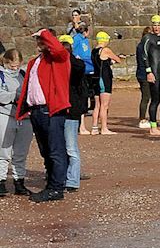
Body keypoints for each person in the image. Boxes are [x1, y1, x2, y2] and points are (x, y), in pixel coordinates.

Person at [18, 29, 72, 203]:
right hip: (37, 110)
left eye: (42, 40)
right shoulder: (35, 61)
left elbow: (58, 50)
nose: (39, 43)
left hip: (51, 109)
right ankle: (52, 183)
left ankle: (56, 188)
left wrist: (45, 34)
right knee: (46, 151)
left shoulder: (59, 58)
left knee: (56, 150)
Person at [58, 35, 88, 191]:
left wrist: (68, 58)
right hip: (60, 110)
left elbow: (79, 69)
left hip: (71, 110)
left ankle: (72, 180)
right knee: (60, 147)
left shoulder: (76, 64)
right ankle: (60, 176)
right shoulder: (57, 65)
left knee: (70, 147)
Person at [0, 49, 30, 194]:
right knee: (3, 151)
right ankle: (1, 181)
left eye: (17, 65)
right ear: (5, 62)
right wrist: (15, 95)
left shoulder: (23, 74)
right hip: (5, 115)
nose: (15, 68)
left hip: (24, 117)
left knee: (21, 152)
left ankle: (19, 182)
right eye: (12, 65)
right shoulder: (1, 75)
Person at [91, 31, 122, 135]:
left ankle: (94, 127)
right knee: (104, 105)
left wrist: (110, 62)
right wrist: (118, 58)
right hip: (104, 79)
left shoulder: (94, 51)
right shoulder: (106, 50)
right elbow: (118, 60)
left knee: (97, 105)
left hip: (95, 78)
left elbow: (102, 62)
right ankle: (104, 128)